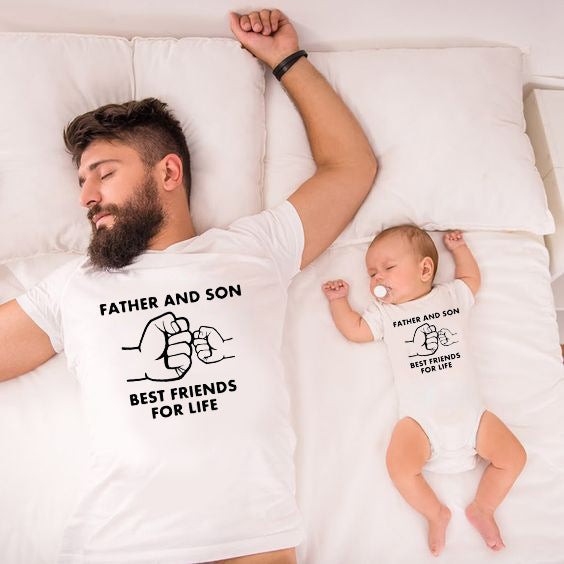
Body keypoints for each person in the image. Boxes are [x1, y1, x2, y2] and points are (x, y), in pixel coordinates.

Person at [0, 9, 377, 564]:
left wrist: (287, 60)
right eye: (81, 182)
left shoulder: (253, 250)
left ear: (168, 174)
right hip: (117, 544)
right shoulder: (70, 289)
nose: (87, 197)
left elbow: (350, 167)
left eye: (104, 173)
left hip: (250, 542)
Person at [321, 226, 527, 557]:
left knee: (514, 457)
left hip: (473, 419)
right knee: (399, 467)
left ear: (425, 269)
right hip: (421, 423)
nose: (378, 278)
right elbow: (356, 331)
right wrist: (339, 302)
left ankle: (484, 508)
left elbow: (472, 280)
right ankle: (436, 513)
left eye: (388, 268)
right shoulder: (385, 314)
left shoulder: (450, 296)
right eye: (372, 272)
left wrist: (460, 250)